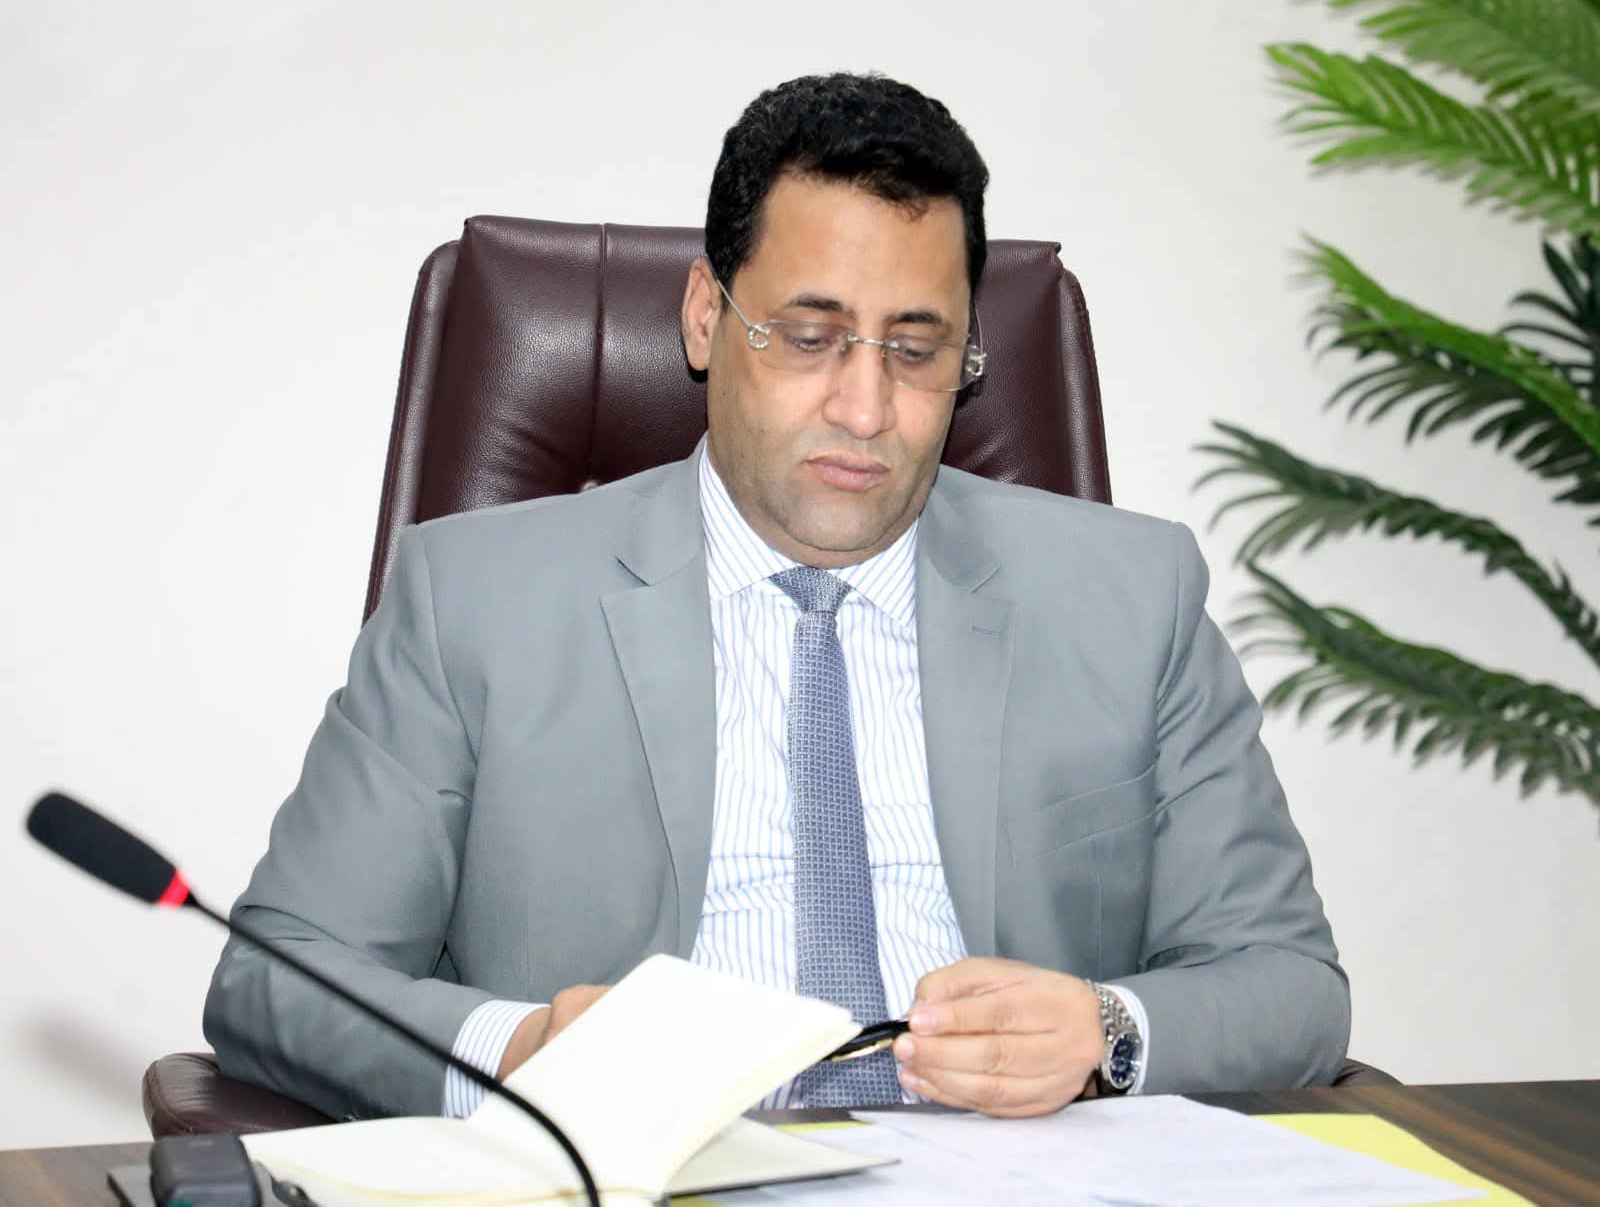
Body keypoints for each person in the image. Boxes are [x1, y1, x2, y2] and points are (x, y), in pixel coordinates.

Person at [204, 72, 1349, 1123]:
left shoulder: (1134, 598)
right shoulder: (474, 601)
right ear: (706, 316)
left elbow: (1289, 984)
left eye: (917, 351)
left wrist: (1106, 1030)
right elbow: (277, 976)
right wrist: (520, 1050)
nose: (865, 409)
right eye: (809, 337)